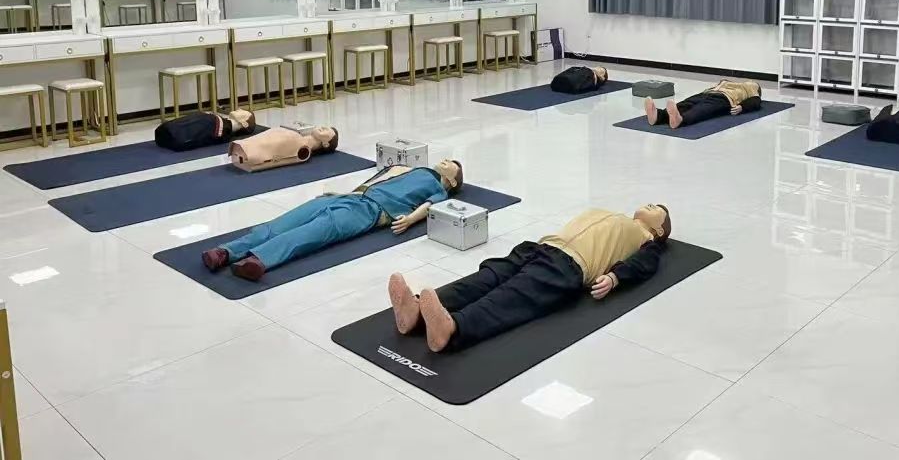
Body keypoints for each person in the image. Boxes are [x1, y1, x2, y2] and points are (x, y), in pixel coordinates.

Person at [387, 204, 671, 353]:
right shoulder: (616, 215)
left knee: (510, 297)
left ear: (659, 230)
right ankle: (416, 312)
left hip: (571, 265)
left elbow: (643, 264)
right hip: (541, 247)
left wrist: (615, 277)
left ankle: (452, 329)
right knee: (487, 277)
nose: (651, 204)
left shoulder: (647, 240)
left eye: (658, 209)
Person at [202, 159, 464, 281]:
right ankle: (225, 251)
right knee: (283, 223)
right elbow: (375, 181)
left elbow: (430, 206)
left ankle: (258, 260)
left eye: (452, 164)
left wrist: (410, 220)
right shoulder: (415, 170)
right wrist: (342, 193)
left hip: (371, 210)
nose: (446, 160)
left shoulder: (438, 188)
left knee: (315, 231)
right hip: (352, 197)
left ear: (452, 181)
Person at [646, 79, 762, 130]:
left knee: (702, 109)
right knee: (685, 104)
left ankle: (681, 120)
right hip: (706, 93)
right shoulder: (729, 83)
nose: (750, 81)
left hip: (724, 98)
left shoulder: (752, 87)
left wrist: (742, 107)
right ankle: (658, 116)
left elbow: (756, 101)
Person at [227, 125, 339, 171]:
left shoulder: (303, 149)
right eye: (325, 126)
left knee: (270, 143)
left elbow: (279, 157)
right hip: (243, 147)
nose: (323, 127)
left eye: (327, 131)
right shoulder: (299, 138)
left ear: (326, 144)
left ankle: (249, 151)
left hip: (250, 155)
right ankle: (246, 146)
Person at [154, 109, 256, 152]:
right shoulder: (219, 123)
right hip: (166, 133)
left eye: (244, 112)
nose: (239, 109)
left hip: (172, 137)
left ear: (244, 123)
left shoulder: (220, 128)